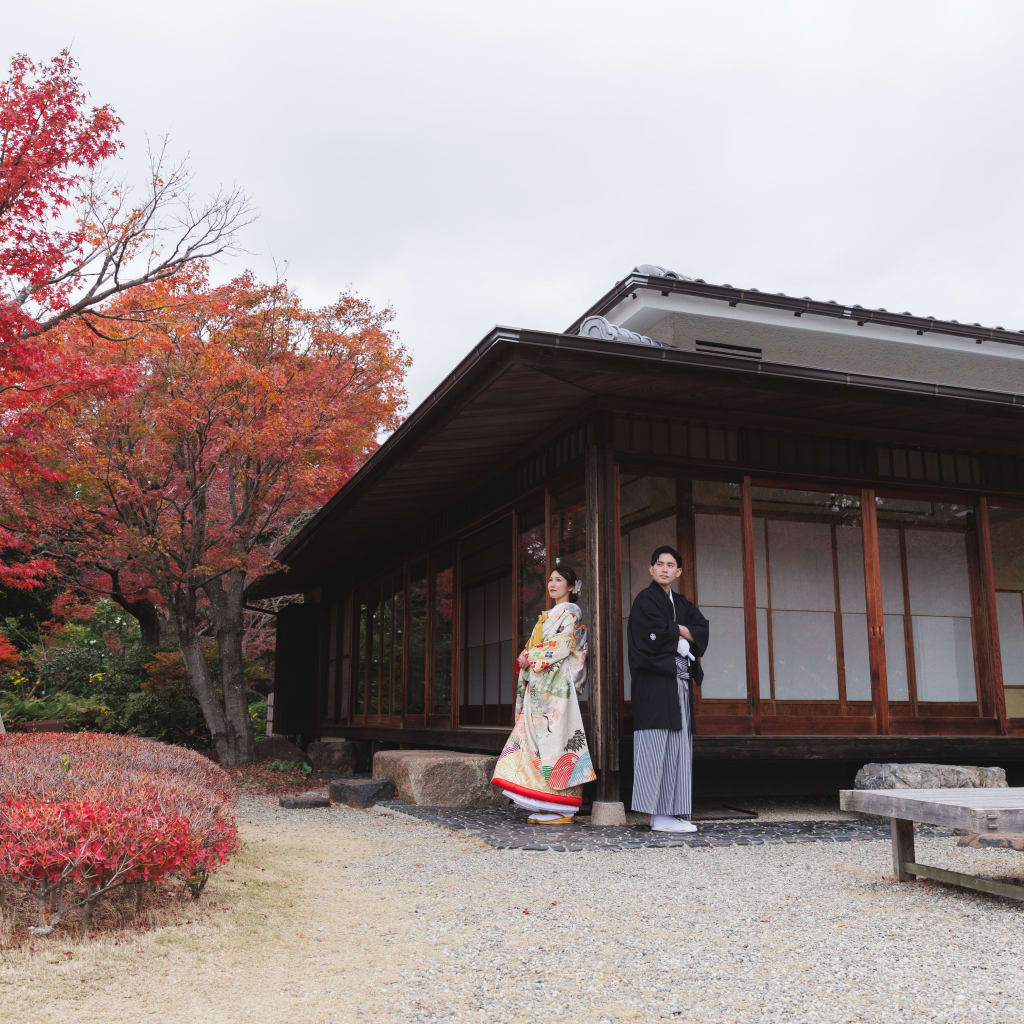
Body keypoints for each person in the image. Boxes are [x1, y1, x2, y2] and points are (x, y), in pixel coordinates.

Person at [490, 564, 596, 824]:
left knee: (556, 741)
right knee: (535, 742)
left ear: (571, 587)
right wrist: (528, 655)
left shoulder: (570, 614)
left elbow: (564, 644)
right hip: (541, 686)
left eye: (559, 580)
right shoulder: (549, 615)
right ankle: (546, 802)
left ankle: (562, 806)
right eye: (550, 580)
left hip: (556, 690)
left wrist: (531, 655)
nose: (552, 584)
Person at [628, 544, 709, 833]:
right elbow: (651, 636)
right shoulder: (645, 601)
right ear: (651, 569)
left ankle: (674, 812)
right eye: (659, 564)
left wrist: (676, 631)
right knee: (656, 743)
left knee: (679, 746)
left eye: (670, 565)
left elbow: (700, 629)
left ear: (678, 572)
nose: (664, 569)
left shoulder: (682, 603)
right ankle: (658, 814)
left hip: (680, 685)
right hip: (654, 684)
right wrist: (678, 632)